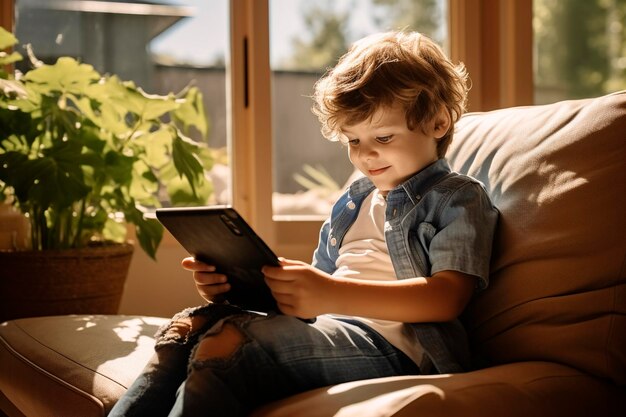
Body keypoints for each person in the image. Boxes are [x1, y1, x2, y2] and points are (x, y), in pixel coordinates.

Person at [109, 30, 498, 417]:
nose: (365, 155)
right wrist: (246, 284)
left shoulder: (456, 197)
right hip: (327, 327)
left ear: (438, 123)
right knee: (189, 327)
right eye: (353, 141)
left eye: (382, 135)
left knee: (231, 343)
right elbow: (318, 292)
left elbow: (447, 297)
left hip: (396, 349)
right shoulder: (353, 201)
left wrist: (329, 293)